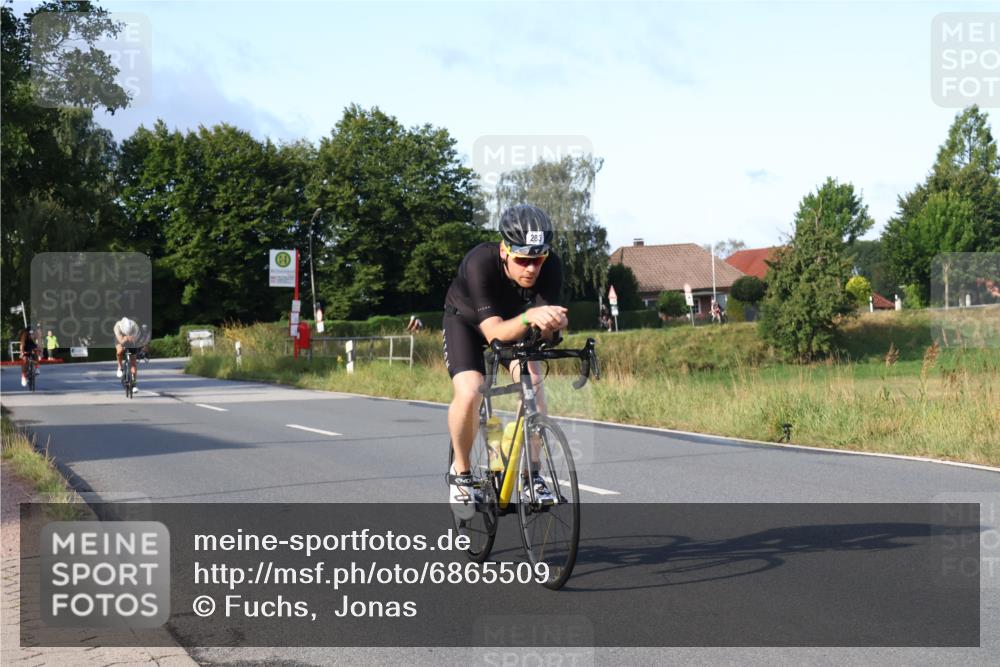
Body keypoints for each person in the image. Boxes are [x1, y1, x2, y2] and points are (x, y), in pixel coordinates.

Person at [443, 204, 569, 518]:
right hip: (469, 324)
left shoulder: (551, 267)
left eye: (538, 260)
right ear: (504, 250)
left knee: (534, 385)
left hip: (516, 323)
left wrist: (552, 330)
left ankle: (532, 476)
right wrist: (530, 317)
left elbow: (541, 331)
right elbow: (495, 333)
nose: (532, 269)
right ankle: (461, 473)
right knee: (471, 390)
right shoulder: (480, 263)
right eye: (523, 260)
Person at [114, 317, 143, 386]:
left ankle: (134, 382)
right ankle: (120, 366)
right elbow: (120, 341)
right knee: (119, 351)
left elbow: (135, 339)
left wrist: (131, 339)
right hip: (120, 338)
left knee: (133, 362)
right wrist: (125, 339)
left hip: (132, 339)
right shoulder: (117, 326)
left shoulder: (135, 326)